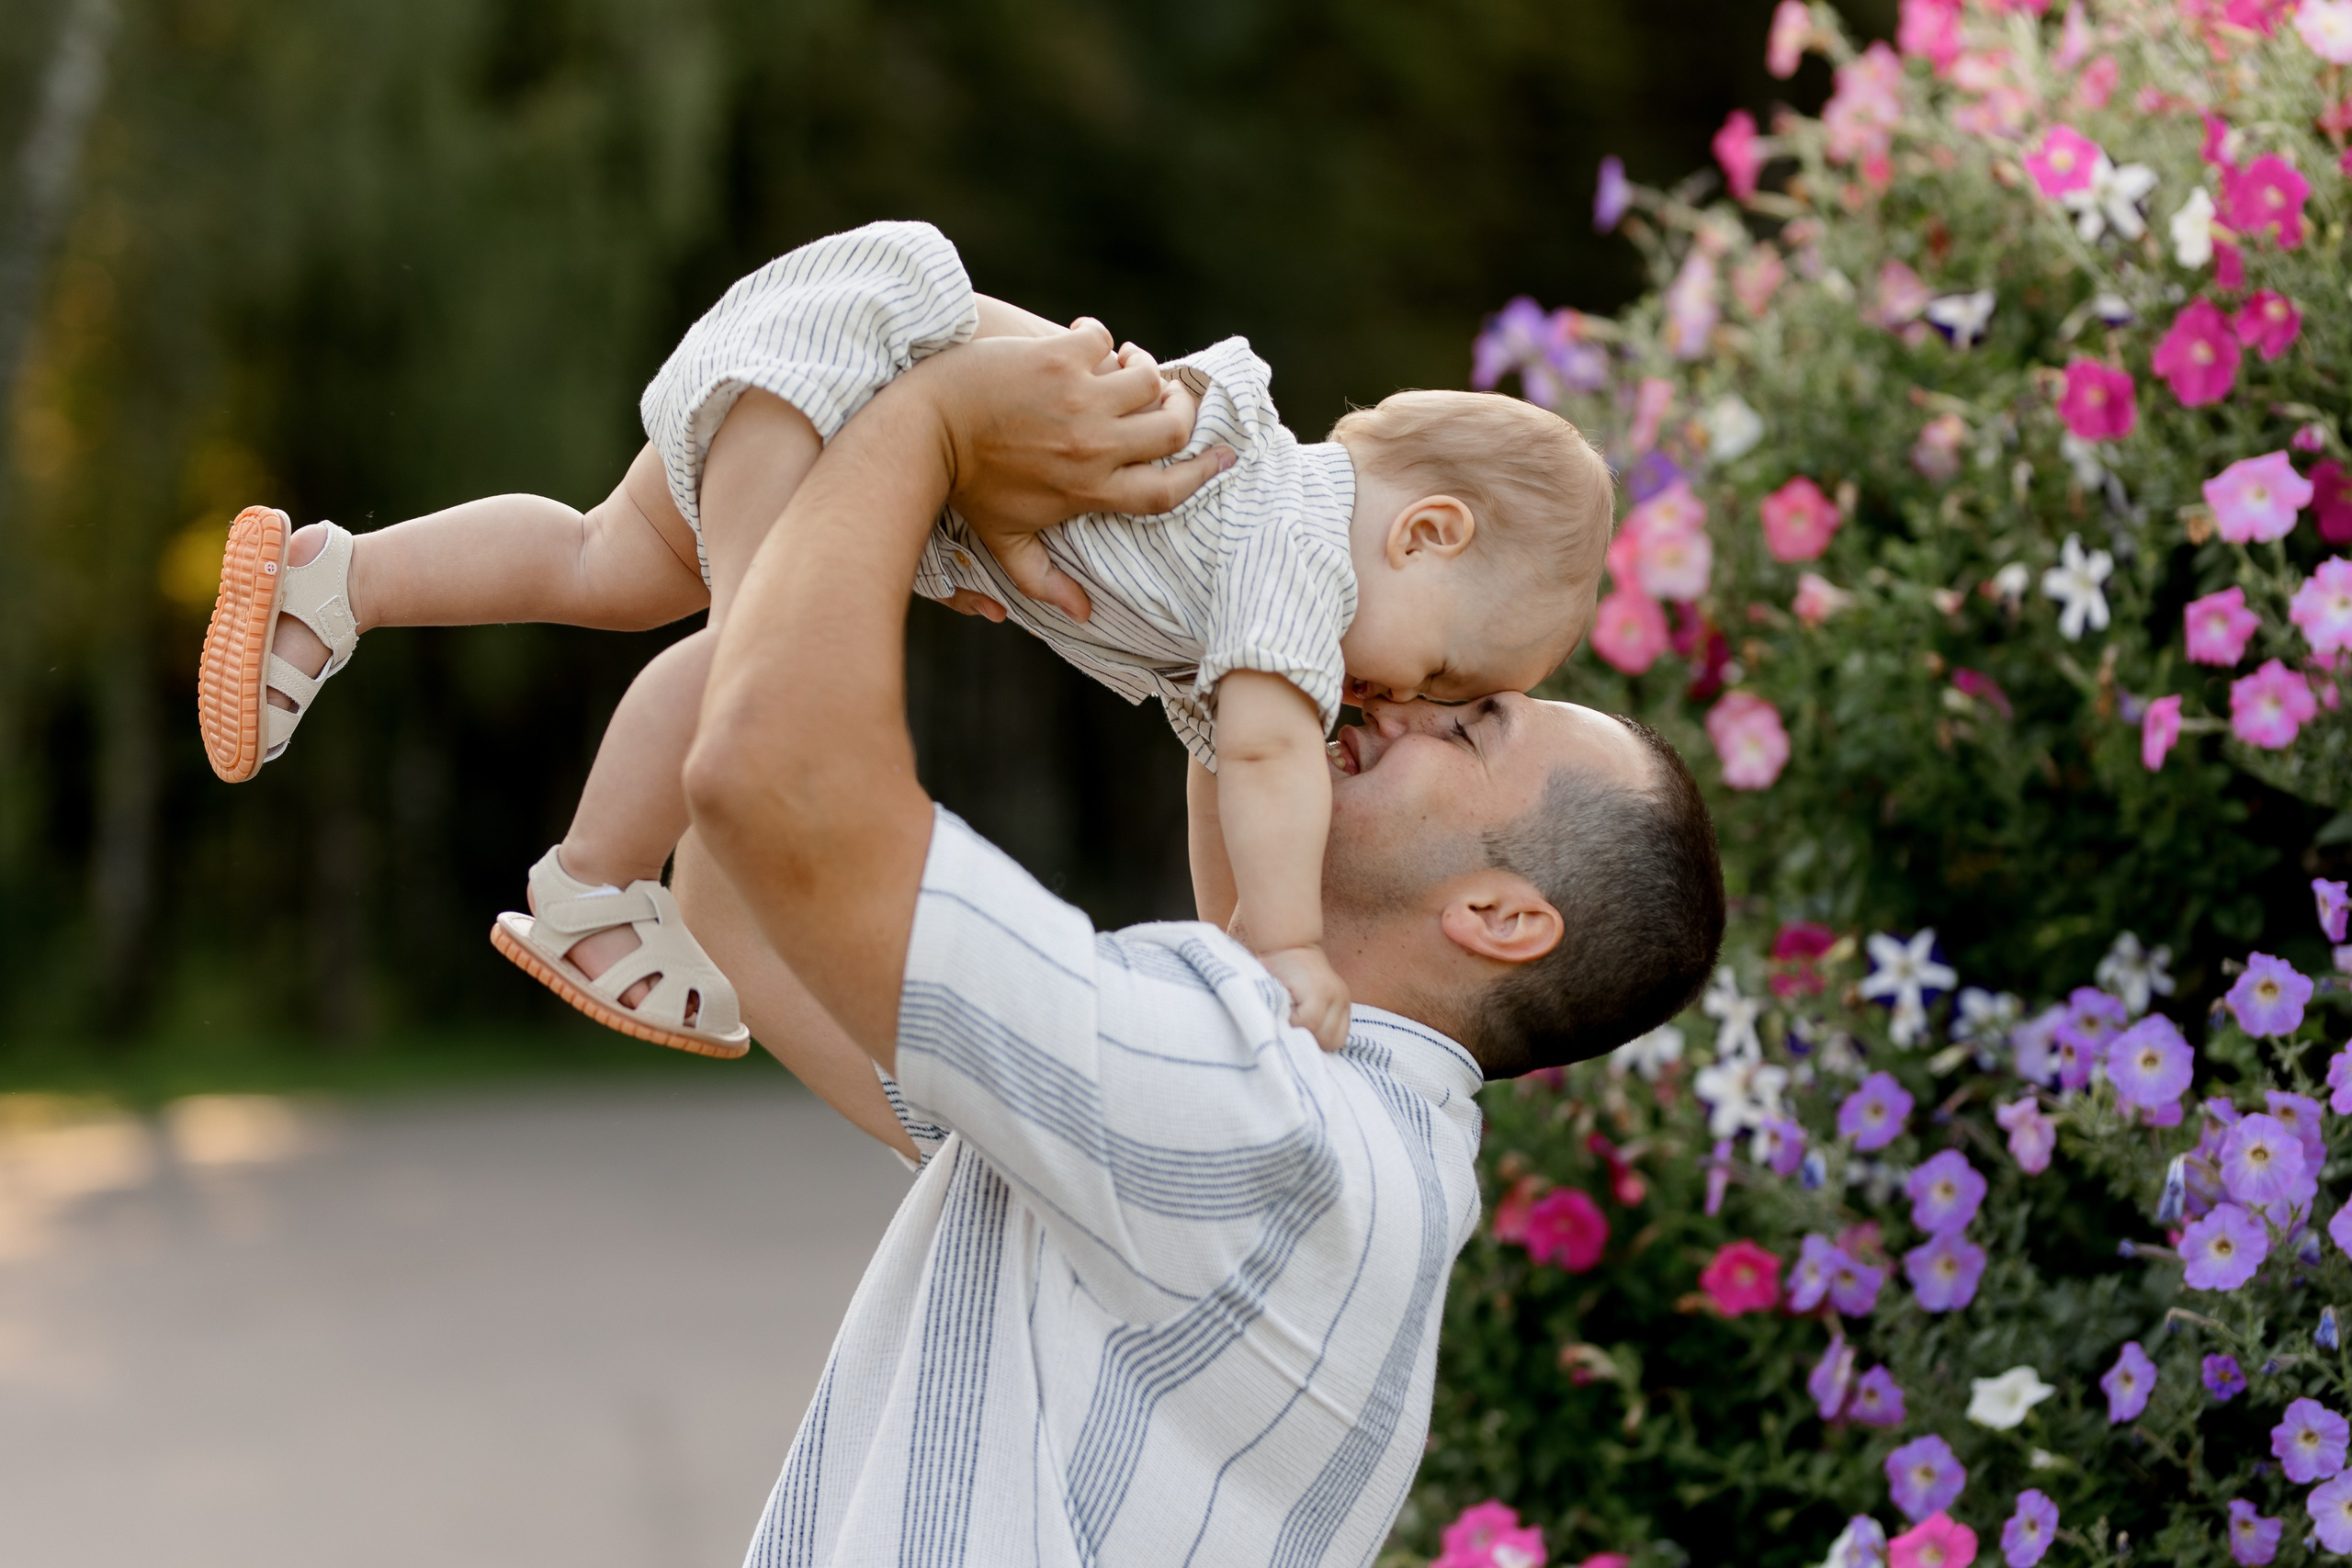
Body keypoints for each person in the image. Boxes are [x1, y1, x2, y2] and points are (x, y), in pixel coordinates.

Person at [668, 320, 1724, 1562]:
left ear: (1500, 917)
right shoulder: (1318, 1139)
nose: (1399, 702)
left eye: (1467, 724)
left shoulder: (1266, 1116)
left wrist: (931, 426)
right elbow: (742, 913)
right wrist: (1209, 613)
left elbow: (770, 790)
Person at [193, 222, 1614, 1055]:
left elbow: (1216, 764)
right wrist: (1291, 946)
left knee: (608, 559)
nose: (1399, 699)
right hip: (879, 352)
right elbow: (1262, 757)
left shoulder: (1253, 595)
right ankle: (592, 886)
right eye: (1443, 672)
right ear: (1426, 533)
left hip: (848, 328)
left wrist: (1226, 949)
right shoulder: (1298, 540)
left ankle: (337, 580)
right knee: (763, 652)